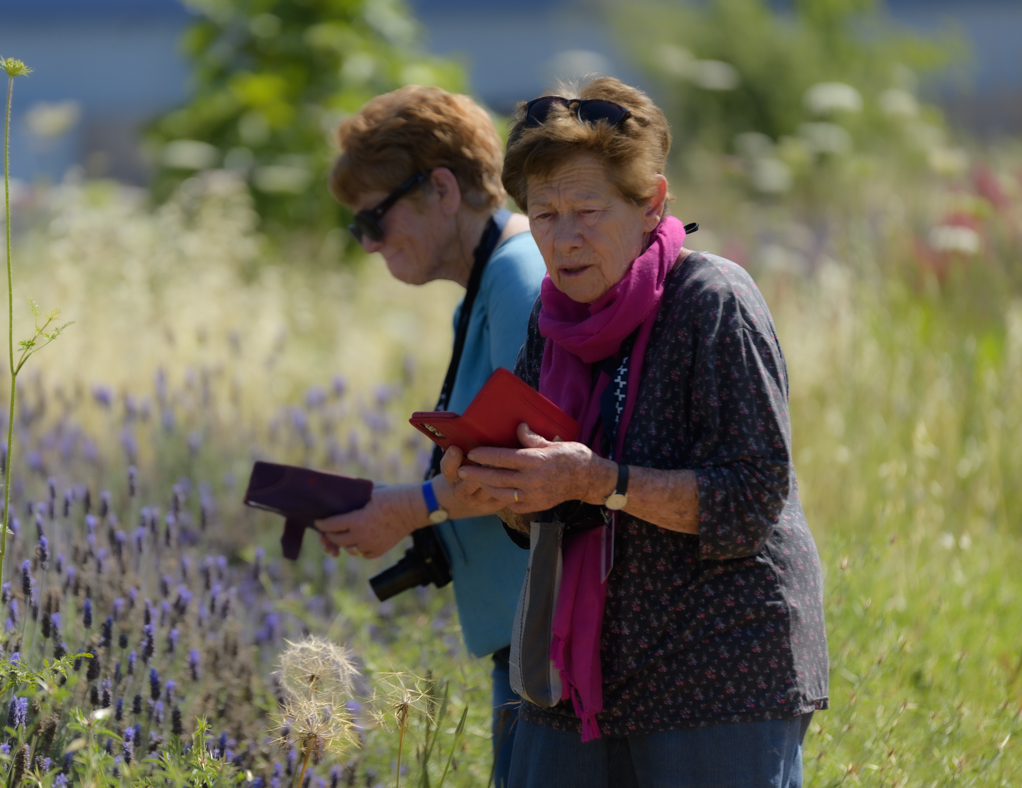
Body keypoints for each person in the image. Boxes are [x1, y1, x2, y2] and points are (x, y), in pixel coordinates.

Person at [426, 77, 828, 787]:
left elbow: (751, 497)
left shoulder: (710, 300)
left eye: (588, 209)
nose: (564, 235)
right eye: (543, 214)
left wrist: (597, 480)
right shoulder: (552, 324)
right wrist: (508, 491)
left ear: (652, 204)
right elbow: (544, 512)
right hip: (577, 675)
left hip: (717, 670)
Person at [314, 85, 546, 787]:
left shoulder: (516, 279)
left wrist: (410, 506)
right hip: (524, 631)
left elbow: (525, 469)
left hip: (544, 638)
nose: (371, 244)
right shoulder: (486, 285)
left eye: (374, 220)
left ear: (442, 189)